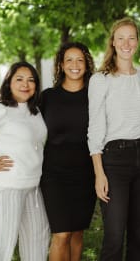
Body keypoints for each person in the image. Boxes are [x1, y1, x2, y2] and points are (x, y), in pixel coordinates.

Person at [87, 17, 140, 261]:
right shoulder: (100, 80)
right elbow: (95, 128)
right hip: (115, 161)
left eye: (131, 37)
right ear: (113, 43)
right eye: (121, 38)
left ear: (137, 42)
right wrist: (99, 173)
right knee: (114, 235)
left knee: (139, 236)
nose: (127, 43)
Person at [0, 61, 49, 261]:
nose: (26, 84)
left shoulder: (34, 110)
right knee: (3, 243)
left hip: (32, 185)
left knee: (38, 240)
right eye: (19, 79)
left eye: (31, 80)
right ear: (8, 83)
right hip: (6, 186)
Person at [39, 42, 97, 261]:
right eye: (69, 60)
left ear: (87, 64)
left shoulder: (95, 96)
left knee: (77, 232)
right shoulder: (47, 97)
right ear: (61, 65)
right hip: (54, 175)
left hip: (86, 175)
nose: (75, 65)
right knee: (61, 234)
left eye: (80, 60)